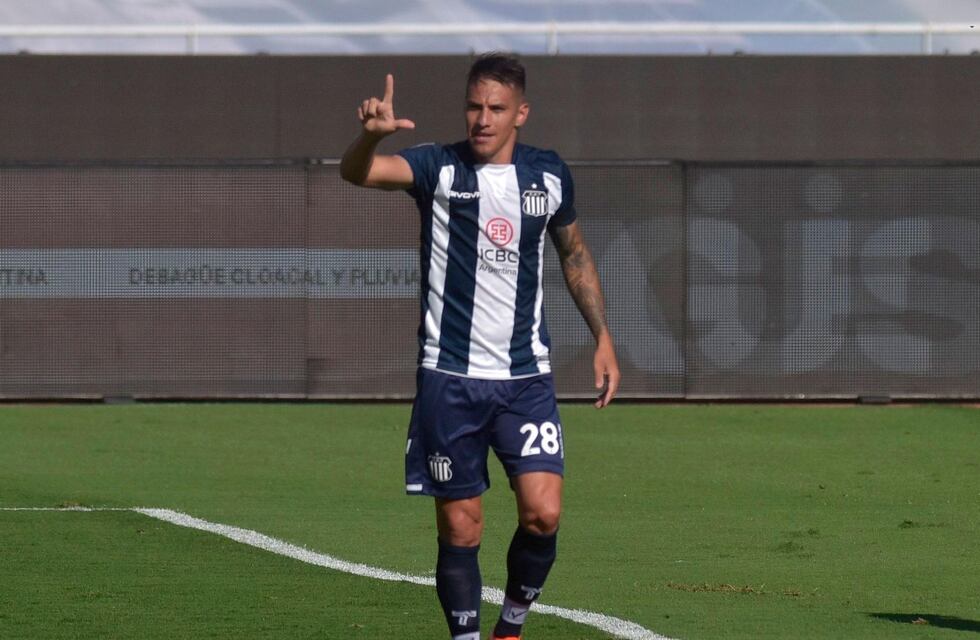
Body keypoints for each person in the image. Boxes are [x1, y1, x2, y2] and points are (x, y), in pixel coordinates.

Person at [340, 52, 620, 640]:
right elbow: (359, 173)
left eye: (496, 108)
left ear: (521, 112)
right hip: (450, 378)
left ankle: (510, 627)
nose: (482, 119)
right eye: (474, 105)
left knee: (543, 513)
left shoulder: (547, 176)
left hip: (526, 379)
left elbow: (573, 253)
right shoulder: (438, 167)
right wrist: (367, 139)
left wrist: (602, 337)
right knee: (463, 530)